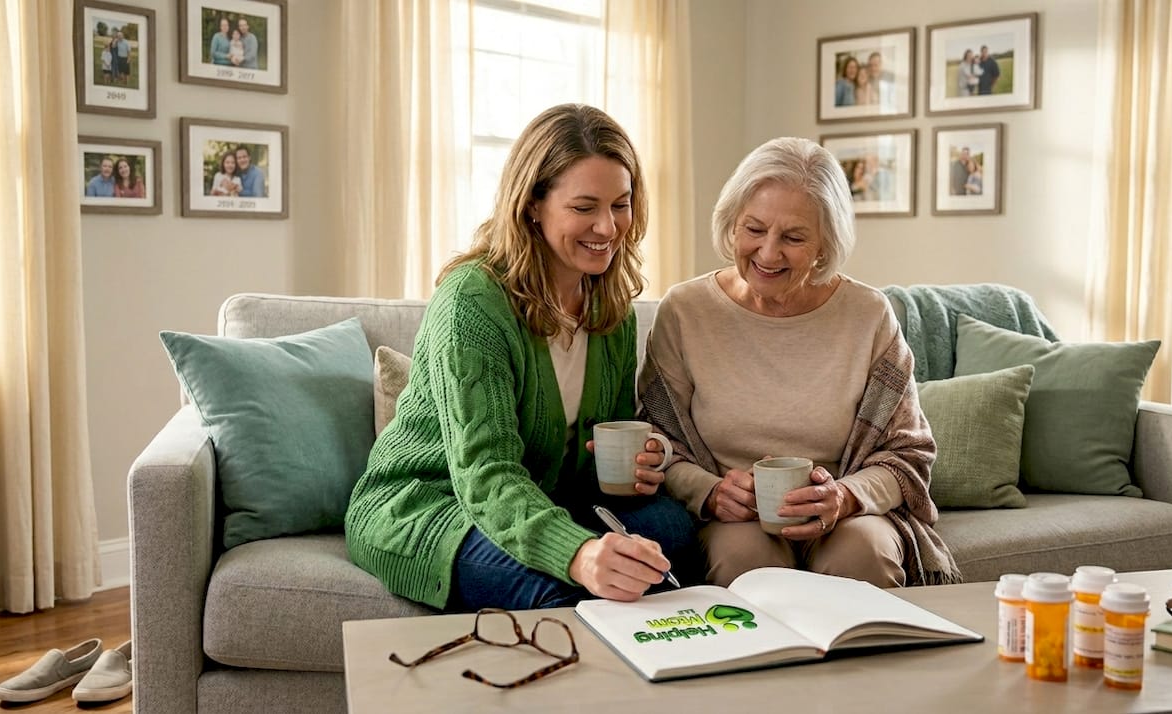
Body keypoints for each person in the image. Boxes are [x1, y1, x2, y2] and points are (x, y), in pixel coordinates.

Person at [345, 103, 697, 612]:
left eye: (620, 205)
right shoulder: (473, 303)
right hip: (432, 505)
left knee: (675, 534)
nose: (607, 227)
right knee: (567, 595)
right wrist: (579, 553)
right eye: (584, 207)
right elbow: (485, 476)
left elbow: (603, 446)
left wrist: (643, 463)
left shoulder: (611, 307)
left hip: (545, 498)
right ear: (533, 203)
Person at [638, 136, 959, 589]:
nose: (769, 253)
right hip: (736, 519)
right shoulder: (686, 310)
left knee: (864, 553)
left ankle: (870, 662)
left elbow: (909, 455)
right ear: (731, 225)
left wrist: (845, 496)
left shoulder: (868, 314)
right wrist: (709, 492)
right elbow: (658, 443)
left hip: (843, 514)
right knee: (744, 560)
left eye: (793, 237)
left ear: (825, 244)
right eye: (754, 229)